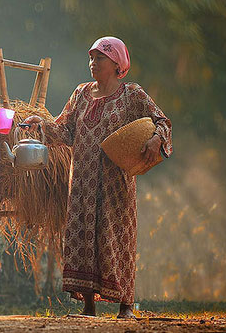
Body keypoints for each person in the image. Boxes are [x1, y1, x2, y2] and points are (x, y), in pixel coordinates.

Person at [24, 36, 172, 319]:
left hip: (115, 182)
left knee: (116, 237)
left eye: (100, 58)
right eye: (91, 58)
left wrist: (156, 138)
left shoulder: (132, 95)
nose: (93, 63)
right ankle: (88, 307)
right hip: (81, 180)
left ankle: (126, 306)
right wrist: (40, 125)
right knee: (82, 237)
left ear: (117, 63)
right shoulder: (80, 93)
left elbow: (162, 121)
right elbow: (64, 130)